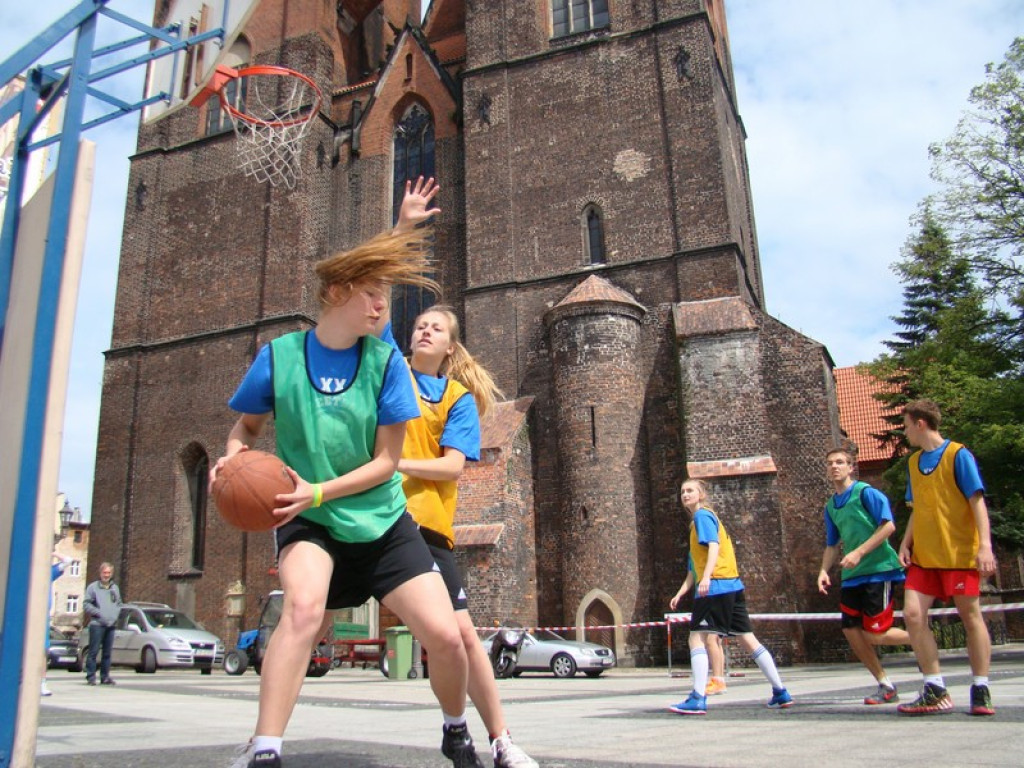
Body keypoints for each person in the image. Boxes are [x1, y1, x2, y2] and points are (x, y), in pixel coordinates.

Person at [218, 180, 485, 768]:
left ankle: (454, 725)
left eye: (383, 299)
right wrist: (233, 457)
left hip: (382, 518)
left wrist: (405, 225)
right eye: (370, 296)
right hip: (310, 520)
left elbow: (387, 463)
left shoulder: (386, 362)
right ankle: (264, 748)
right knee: (304, 610)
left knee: (444, 636)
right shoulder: (279, 357)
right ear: (336, 293)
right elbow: (245, 430)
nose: (381, 307)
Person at [378, 296, 537, 768]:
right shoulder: (390, 368)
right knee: (308, 616)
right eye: (420, 325)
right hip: (375, 519)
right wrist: (401, 230)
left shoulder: (457, 400)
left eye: (436, 328)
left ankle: (500, 740)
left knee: (461, 639)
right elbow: (379, 303)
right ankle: (265, 741)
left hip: (426, 529)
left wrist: (390, 464)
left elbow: (449, 469)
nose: (424, 330)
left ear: (450, 347)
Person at [896, 400, 996, 716]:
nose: (905, 431)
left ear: (921, 423)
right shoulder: (913, 463)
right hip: (925, 556)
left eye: (907, 424)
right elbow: (918, 508)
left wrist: (985, 547)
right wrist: (905, 543)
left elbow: (977, 502)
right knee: (913, 615)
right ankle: (935, 688)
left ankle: (980, 687)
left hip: (959, 554)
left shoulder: (958, 455)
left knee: (970, 617)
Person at [668, 479, 792, 715]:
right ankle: (780, 691)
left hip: (715, 587)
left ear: (701, 494)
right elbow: (692, 568)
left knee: (696, 639)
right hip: (732, 585)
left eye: (690, 490)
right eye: (683, 491)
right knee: (748, 639)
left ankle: (697, 697)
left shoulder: (702, 517)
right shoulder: (699, 523)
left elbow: (713, 546)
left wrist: (706, 578)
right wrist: (681, 592)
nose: (685, 494)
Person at [817, 446, 910, 705]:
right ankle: (884, 683)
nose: (834, 466)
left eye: (839, 462)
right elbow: (832, 544)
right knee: (850, 630)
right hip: (852, 577)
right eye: (830, 463)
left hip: (878, 571)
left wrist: (859, 552)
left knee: (875, 634)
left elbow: (888, 525)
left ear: (850, 467)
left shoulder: (866, 493)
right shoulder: (831, 507)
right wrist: (824, 570)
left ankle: (921, 638)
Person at [83, 562, 121, 686]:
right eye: (105, 572)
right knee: (93, 651)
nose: (107, 575)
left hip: (111, 624)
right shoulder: (93, 587)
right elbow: (86, 604)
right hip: (97, 624)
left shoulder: (114, 588)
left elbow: (119, 603)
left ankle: (105, 677)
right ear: (100, 573)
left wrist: (115, 615)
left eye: (109, 573)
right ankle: (91, 676)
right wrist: (98, 612)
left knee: (107, 652)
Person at [42, 552, 72, 696]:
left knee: (43, 652)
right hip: (31, 618)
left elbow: (68, 560)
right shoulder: (30, 572)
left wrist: (52, 553)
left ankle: (42, 682)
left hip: (43, 619)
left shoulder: (49, 572)